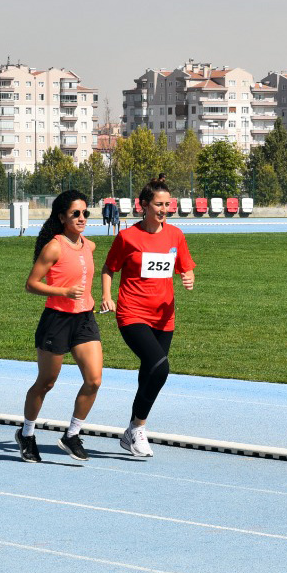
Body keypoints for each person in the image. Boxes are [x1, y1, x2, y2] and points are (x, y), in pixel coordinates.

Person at [101, 178, 195, 458]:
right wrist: (107, 295)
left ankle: (131, 430)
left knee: (149, 374)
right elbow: (109, 268)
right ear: (144, 206)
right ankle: (139, 428)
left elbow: (184, 268)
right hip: (132, 312)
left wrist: (188, 277)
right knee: (160, 367)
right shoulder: (128, 237)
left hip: (164, 316)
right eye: (158, 204)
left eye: (167, 204)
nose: (164, 209)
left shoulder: (175, 235)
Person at [16, 190, 103, 463]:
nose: (81, 218)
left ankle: (72, 434)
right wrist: (63, 292)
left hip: (85, 319)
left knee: (94, 380)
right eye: (75, 213)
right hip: (57, 320)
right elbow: (31, 284)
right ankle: (27, 434)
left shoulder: (88, 246)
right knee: (46, 382)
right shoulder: (54, 246)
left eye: (85, 213)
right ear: (62, 217)